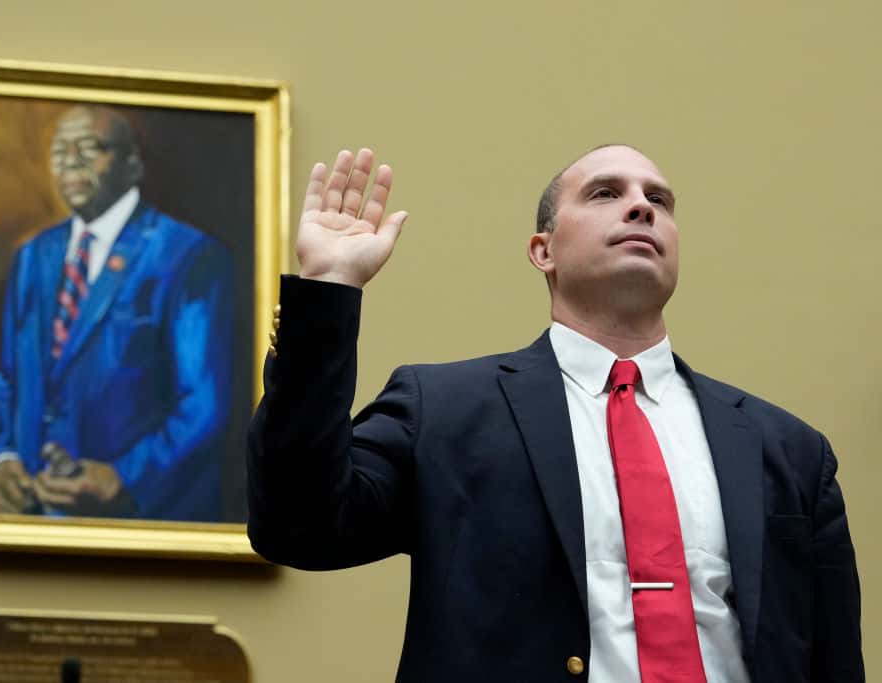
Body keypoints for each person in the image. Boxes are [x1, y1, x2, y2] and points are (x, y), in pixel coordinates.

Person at [247, 145, 863, 681]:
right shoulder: (444, 410)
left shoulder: (788, 448)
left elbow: (834, 659)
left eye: (658, 199)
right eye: (605, 193)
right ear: (543, 250)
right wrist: (327, 290)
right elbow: (298, 526)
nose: (641, 207)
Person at [0, 105, 234, 522]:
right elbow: (8, 377)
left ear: (132, 165)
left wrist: (124, 479)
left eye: (89, 147)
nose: (70, 161)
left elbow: (203, 406)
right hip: (32, 520)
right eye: (59, 151)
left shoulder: (188, 255)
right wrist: (2, 457)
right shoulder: (34, 255)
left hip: (138, 523)